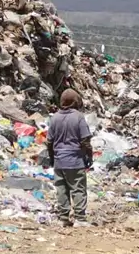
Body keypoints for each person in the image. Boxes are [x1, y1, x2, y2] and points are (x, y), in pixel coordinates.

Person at [46, 88, 93, 226]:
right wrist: (88, 157)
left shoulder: (54, 118)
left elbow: (49, 141)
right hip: (75, 160)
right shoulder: (78, 117)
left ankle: (64, 218)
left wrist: (52, 158)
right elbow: (85, 141)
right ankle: (80, 218)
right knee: (78, 189)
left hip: (59, 160)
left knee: (62, 189)